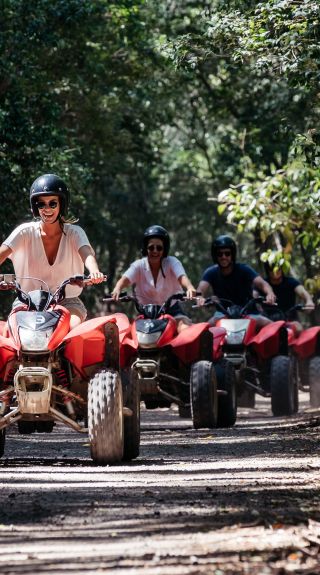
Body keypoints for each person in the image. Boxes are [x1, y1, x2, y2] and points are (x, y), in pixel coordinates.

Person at [0, 173, 104, 328]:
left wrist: (95, 271)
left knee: (72, 328)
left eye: (52, 203)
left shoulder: (75, 233)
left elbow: (87, 254)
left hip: (67, 302)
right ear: (35, 207)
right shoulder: (24, 232)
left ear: (62, 204)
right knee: (13, 329)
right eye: (41, 204)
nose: (47, 209)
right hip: (27, 301)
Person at [112, 225, 196, 333]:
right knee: (129, 335)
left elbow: (181, 277)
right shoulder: (139, 265)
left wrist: (189, 287)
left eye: (159, 248)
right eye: (151, 247)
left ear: (164, 249)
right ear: (145, 249)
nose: (155, 251)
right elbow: (125, 279)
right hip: (146, 313)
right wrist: (117, 289)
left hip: (173, 310)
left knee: (184, 329)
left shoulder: (172, 262)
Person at [197, 235, 276, 328]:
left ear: (232, 254)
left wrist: (270, 293)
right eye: (219, 254)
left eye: (227, 253)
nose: (223, 257)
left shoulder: (244, 269)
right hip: (223, 314)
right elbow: (201, 289)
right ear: (215, 255)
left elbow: (263, 284)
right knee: (204, 329)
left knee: (272, 327)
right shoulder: (211, 272)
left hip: (249, 313)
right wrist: (199, 298)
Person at [259, 261, 315, 334]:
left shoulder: (291, 282)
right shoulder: (263, 284)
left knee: (298, 329)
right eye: (271, 269)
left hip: (290, 319)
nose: (275, 271)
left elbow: (302, 291)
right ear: (267, 271)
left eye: (278, 268)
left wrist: (309, 300)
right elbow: (255, 294)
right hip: (269, 320)